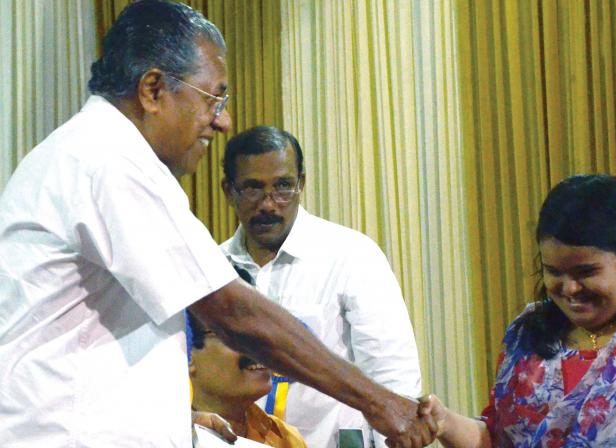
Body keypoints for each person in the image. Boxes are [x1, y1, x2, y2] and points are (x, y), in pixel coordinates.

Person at [0, 1, 434, 447]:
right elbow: (231, 312)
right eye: (214, 98)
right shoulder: (109, 160)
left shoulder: (86, 152)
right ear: (153, 89)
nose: (224, 121)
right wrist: (380, 403)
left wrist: (176, 417)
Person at [418, 174, 616, 447]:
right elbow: (497, 438)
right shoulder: (527, 335)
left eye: (586, 273)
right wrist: (442, 422)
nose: (569, 289)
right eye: (554, 272)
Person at [218, 125, 422, 448]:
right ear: (229, 191)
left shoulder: (351, 256)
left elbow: (393, 378)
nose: (269, 204)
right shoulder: (213, 271)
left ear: (301, 183)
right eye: (253, 189)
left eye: (283, 186)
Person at [187, 308, 306, 447]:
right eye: (238, 335)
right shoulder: (164, 437)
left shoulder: (288, 439)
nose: (260, 347)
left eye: (263, 334)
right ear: (189, 354)